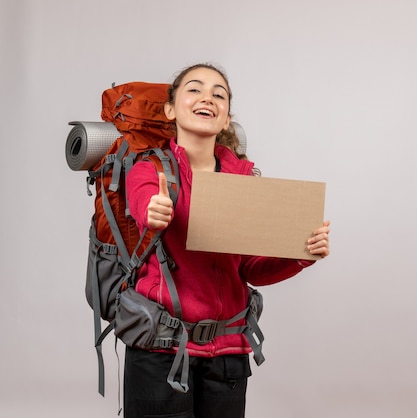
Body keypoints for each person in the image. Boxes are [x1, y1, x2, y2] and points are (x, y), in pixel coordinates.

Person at [123, 63, 331, 418]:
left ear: (226, 119)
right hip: (161, 350)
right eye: (194, 89)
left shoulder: (244, 180)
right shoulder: (149, 170)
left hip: (228, 356)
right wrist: (154, 212)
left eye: (219, 94)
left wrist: (301, 254)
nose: (207, 98)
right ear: (171, 109)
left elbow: (251, 268)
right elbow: (144, 202)